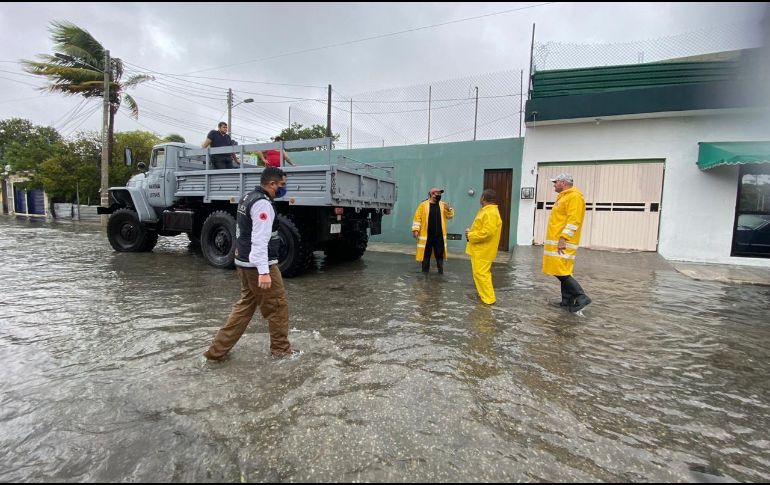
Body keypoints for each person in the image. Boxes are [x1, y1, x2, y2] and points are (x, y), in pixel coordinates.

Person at [203, 166, 298, 360]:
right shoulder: (263, 205)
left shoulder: (248, 197)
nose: (283, 189)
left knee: (245, 307)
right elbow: (259, 239)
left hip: (244, 263)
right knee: (278, 307)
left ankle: (216, 352)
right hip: (259, 265)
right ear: (272, 184)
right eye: (282, 185)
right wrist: (264, 272)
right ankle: (281, 351)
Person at [542, 172, 592, 313]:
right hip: (558, 240)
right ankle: (567, 301)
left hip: (563, 241)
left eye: (555, 182)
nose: (554, 185)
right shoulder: (564, 197)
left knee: (560, 270)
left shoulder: (574, 197)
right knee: (562, 270)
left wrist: (564, 238)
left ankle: (581, 296)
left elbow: (574, 220)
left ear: (563, 183)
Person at [465, 189, 503, 305]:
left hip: (483, 250)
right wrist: (471, 233)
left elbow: (487, 233)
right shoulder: (487, 211)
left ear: (483, 198)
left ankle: (489, 299)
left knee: (482, 274)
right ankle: (484, 296)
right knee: (479, 274)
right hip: (480, 249)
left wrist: (470, 235)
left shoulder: (490, 212)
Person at [412, 187, 454, 274]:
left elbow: (450, 216)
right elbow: (417, 218)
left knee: (439, 255)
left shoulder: (443, 205)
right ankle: (425, 273)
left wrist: (449, 209)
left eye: (440, 194)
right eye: (437, 193)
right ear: (431, 194)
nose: (439, 195)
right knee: (426, 255)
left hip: (439, 236)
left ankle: (440, 272)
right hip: (427, 236)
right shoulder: (423, 205)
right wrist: (416, 230)